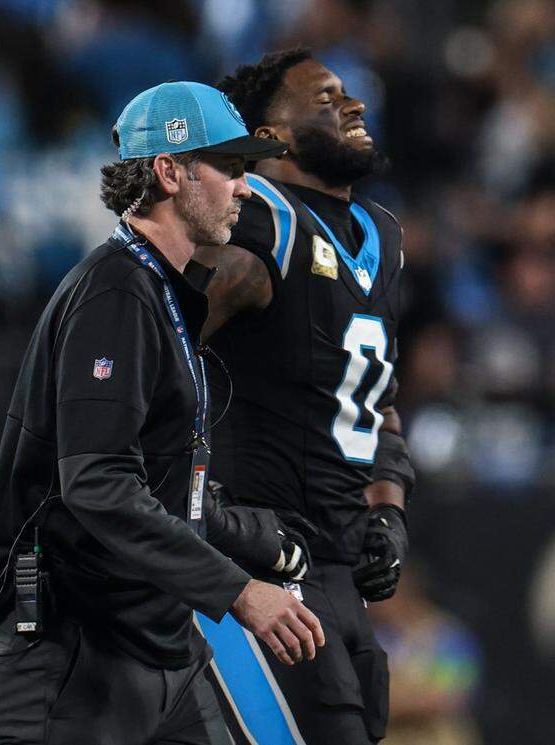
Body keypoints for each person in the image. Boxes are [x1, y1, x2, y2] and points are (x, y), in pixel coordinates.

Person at [0, 81, 325, 745]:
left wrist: (261, 542)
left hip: (154, 649)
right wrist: (240, 592)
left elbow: (166, 489)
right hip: (77, 658)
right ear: (169, 171)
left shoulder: (156, 290)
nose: (244, 188)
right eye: (229, 168)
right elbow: (99, 484)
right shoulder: (116, 294)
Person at [191, 49, 415, 745]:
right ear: (272, 135)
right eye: (325, 99)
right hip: (259, 566)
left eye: (348, 94)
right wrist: (190, 498)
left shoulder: (379, 234)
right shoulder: (260, 221)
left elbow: (376, 395)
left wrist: (388, 511)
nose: (352, 107)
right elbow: (139, 343)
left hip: (340, 570)